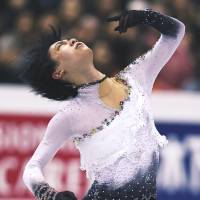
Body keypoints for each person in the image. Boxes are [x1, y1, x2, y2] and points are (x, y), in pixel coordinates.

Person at [22, 9, 185, 200]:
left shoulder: (136, 78)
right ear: (58, 72)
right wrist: (50, 195)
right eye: (61, 46)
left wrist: (146, 17)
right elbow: (32, 168)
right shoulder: (70, 116)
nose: (70, 40)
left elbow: (176, 33)